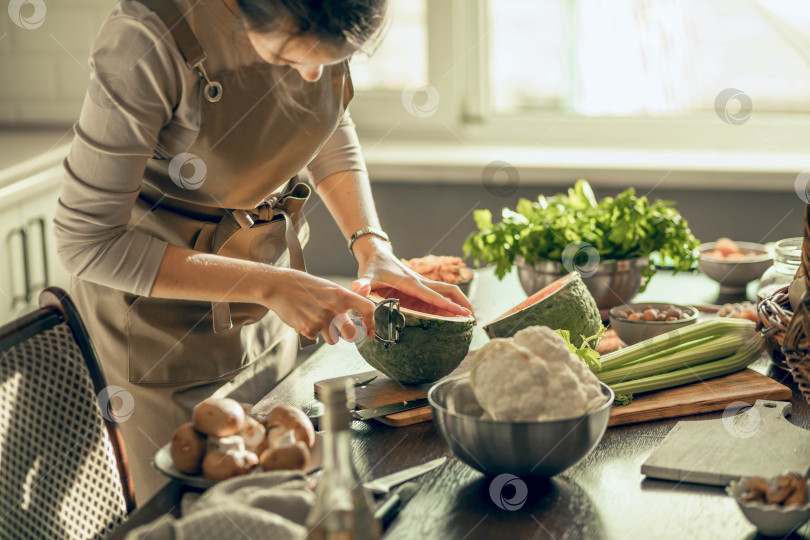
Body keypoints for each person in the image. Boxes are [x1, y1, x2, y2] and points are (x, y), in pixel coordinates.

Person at [54, 0, 472, 501]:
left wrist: (371, 243)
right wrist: (270, 283)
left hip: (266, 312)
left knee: (275, 507)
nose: (314, 74)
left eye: (335, 60)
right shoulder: (145, 40)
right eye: (291, 57)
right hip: (158, 333)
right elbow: (86, 240)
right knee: (198, 520)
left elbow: (327, 123)